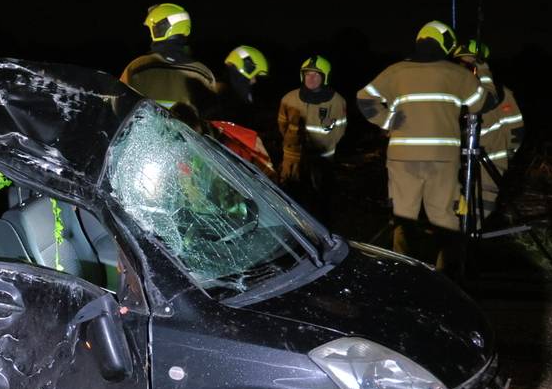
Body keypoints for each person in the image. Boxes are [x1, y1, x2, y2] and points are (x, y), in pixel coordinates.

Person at [357, 21, 496, 273]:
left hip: (402, 158)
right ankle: (447, 276)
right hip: (442, 159)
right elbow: (486, 103)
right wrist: (482, 69)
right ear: (446, 44)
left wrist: (388, 120)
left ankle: (402, 273)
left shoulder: (395, 71)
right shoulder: (457, 74)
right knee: (444, 218)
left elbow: (364, 98)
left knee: (403, 217)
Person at [121, 3, 221, 132]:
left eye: (151, 29)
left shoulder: (137, 68)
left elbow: (119, 110)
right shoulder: (204, 74)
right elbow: (213, 125)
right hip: (186, 145)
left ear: (159, 29)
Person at [456, 39, 524, 218]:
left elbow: (515, 128)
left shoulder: (500, 93)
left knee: (482, 205)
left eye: (468, 65)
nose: (463, 70)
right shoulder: (453, 92)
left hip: (490, 159)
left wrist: (507, 153)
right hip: (456, 160)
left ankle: (474, 231)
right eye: (460, 64)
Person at [277, 55, 346, 223]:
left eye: (316, 74)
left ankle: (320, 234)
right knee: (290, 202)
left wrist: (323, 148)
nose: (311, 78)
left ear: (325, 77)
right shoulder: (289, 99)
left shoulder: (337, 101)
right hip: (292, 162)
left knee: (320, 206)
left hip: (321, 163)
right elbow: (282, 125)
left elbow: (339, 131)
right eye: (307, 74)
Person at [208, 45, 274, 176]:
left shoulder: (219, 92)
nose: (254, 81)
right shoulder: (224, 99)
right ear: (246, 68)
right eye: (253, 76)